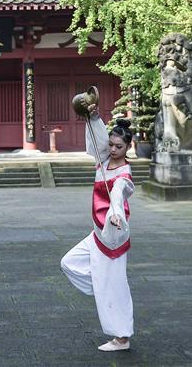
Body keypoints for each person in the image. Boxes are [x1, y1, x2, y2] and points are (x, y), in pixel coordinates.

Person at [60, 107, 135, 352]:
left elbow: (119, 192)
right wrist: (93, 118)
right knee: (68, 262)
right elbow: (96, 142)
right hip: (97, 232)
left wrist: (115, 213)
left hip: (113, 235)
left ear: (127, 148)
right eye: (111, 145)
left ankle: (122, 338)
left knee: (116, 286)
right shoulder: (102, 163)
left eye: (118, 147)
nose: (113, 150)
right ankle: (101, 285)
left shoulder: (124, 173)